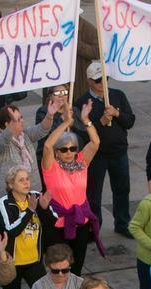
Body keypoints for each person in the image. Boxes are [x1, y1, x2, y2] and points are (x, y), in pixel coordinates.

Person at [42, 100, 102, 273]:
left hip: (80, 222)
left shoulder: (81, 162)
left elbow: (96, 143)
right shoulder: (51, 167)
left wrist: (86, 120)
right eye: (64, 149)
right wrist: (66, 123)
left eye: (72, 148)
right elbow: (47, 145)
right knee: (58, 266)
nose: (69, 152)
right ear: (57, 152)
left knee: (77, 266)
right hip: (57, 224)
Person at [76, 62, 135, 239]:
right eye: (98, 80)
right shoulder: (82, 103)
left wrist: (117, 114)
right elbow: (83, 135)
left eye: (105, 79)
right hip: (97, 156)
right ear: (89, 81)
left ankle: (122, 223)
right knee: (94, 194)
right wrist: (101, 121)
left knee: (122, 189)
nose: (102, 83)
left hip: (118, 152)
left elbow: (130, 121)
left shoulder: (117, 95)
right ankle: (94, 228)